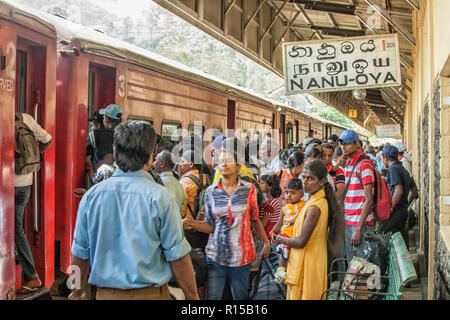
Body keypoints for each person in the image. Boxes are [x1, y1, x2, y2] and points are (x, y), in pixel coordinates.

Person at [69, 120, 199, 300]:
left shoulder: (91, 197)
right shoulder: (161, 198)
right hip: (151, 295)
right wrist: (193, 297)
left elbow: (79, 254)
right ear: (151, 156)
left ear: (115, 152)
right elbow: (178, 257)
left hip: (106, 295)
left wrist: (75, 292)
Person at [183, 137, 270, 300]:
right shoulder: (211, 192)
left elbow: (254, 219)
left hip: (242, 256)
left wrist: (266, 242)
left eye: (228, 161)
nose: (223, 164)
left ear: (238, 166)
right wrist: (190, 222)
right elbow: (210, 226)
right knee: (214, 297)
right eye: (221, 161)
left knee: (239, 297)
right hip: (216, 256)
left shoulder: (249, 190)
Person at [272, 160, 336, 300]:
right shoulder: (312, 201)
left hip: (309, 263)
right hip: (307, 260)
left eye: (310, 178)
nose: (305, 182)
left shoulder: (316, 206)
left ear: (321, 181)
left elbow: (301, 241)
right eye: (304, 177)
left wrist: (281, 239)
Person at [14, 112, 53, 293]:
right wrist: (34, 154)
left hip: (10, 186)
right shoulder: (25, 118)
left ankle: (31, 276)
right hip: (25, 184)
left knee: (15, 230)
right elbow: (48, 139)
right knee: (16, 229)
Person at [338, 130, 376, 261]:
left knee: (363, 266)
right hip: (350, 221)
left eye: (347, 144)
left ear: (357, 144)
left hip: (361, 224)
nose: (343, 147)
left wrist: (359, 229)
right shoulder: (349, 164)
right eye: (342, 144)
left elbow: (369, 200)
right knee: (353, 264)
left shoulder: (364, 165)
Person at [269, 178, 305, 284]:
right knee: (284, 250)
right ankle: (281, 270)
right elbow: (279, 223)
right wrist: (273, 232)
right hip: (287, 234)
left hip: (298, 235)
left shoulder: (305, 206)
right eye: (287, 192)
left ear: (301, 193)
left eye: (292, 193)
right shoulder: (285, 208)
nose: (289, 195)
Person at [378, 145, 411, 241]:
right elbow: (413, 189)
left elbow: (398, 190)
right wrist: (405, 204)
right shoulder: (403, 169)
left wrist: (390, 207)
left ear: (386, 158)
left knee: (382, 235)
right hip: (402, 211)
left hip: (395, 213)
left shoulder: (393, 169)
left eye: (382, 158)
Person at [86, 104, 123, 182]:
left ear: (106, 119)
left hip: (106, 181)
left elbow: (109, 160)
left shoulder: (104, 135)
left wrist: (90, 166)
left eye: (104, 117)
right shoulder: (124, 134)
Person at [259, 173, 283, 241]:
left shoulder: (270, 204)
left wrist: (253, 233)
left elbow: (262, 225)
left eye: (262, 183)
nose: (259, 185)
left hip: (267, 237)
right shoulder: (272, 200)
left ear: (270, 186)